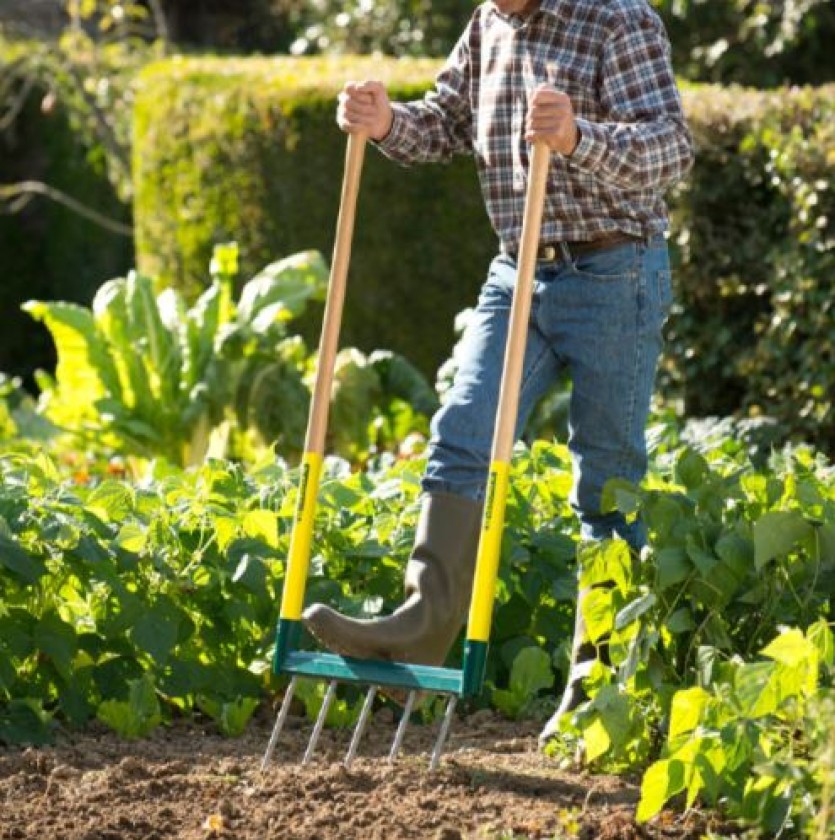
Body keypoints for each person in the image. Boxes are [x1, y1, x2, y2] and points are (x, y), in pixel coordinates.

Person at [302, 0, 694, 746]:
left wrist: (579, 137)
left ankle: (599, 685)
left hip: (613, 271)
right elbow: (445, 122)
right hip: (515, 273)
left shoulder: (616, 21)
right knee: (462, 433)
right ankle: (418, 626)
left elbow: (669, 149)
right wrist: (385, 121)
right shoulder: (488, 24)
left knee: (604, 482)